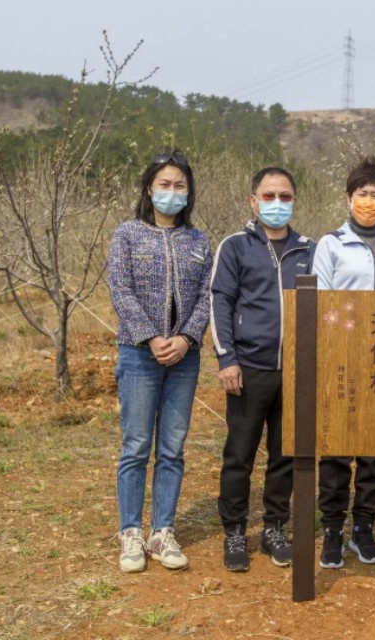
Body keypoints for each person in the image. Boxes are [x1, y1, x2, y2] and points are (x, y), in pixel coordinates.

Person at [107, 152, 212, 573]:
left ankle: (162, 530)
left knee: (172, 447)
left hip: (184, 357)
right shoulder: (128, 235)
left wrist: (187, 338)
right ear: (149, 189)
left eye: (179, 186)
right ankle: (130, 532)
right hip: (138, 353)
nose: (172, 192)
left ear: (189, 193)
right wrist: (151, 338)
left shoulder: (198, 241)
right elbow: (120, 287)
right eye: (164, 185)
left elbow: (208, 294)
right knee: (135, 446)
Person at [210, 167, 316, 572]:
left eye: (284, 196)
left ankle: (275, 528)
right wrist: (227, 358)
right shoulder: (236, 246)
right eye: (268, 196)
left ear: (294, 200)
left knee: (285, 453)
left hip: (295, 369)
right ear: (253, 202)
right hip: (249, 368)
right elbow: (220, 301)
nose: (277, 204)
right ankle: (235, 531)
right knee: (239, 454)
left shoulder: (309, 248)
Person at [312, 157, 375, 568]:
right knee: (335, 450)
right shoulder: (330, 244)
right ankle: (332, 530)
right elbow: (318, 302)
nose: (369, 201)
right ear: (349, 197)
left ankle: (363, 528)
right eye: (362, 194)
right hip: (340, 358)